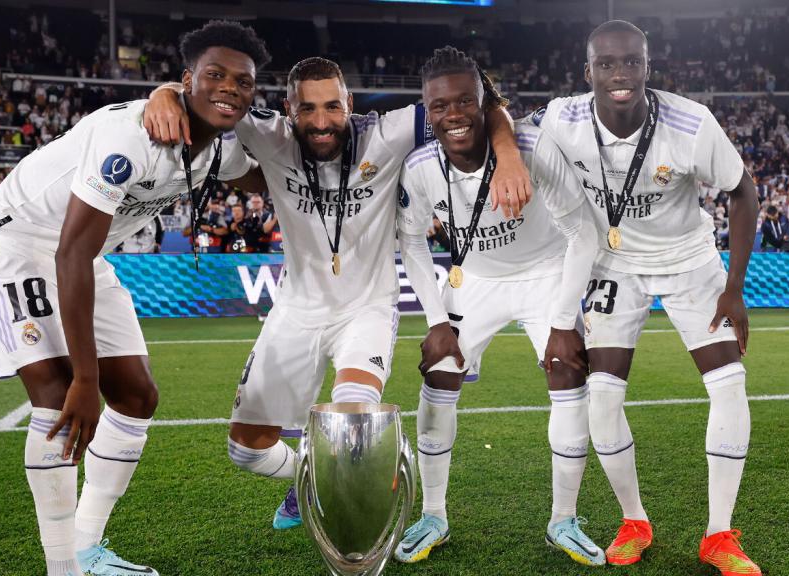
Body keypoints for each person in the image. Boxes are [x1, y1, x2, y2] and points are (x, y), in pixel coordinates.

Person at [143, 55, 533, 532]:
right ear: (289, 109)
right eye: (308, 109)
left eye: (333, 106)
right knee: (246, 450)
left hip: (365, 309)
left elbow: (476, 107)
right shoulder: (266, 133)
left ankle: (358, 476)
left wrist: (508, 152)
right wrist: (164, 92)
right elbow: (207, 101)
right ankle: (311, 477)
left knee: (353, 431)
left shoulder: (387, 134)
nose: (322, 121)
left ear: (350, 102)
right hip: (295, 310)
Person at [0, 21, 270, 576]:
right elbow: (69, 255)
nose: (229, 88)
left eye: (242, 82)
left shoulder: (217, 154)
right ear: (186, 80)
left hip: (84, 254)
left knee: (135, 394)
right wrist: (85, 378)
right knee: (57, 395)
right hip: (15, 241)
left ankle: (86, 547)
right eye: (214, 76)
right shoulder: (131, 136)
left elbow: (267, 178)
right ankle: (63, 569)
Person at [537, 21, 761, 576]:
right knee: (603, 399)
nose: (620, 74)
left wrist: (733, 287)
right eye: (607, 64)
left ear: (647, 68)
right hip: (613, 265)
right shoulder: (561, 118)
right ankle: (634, 520)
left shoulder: (690, 123)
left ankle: (719, 535)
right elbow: (505, 133)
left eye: (631, 62)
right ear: (587, 71)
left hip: (689, 262)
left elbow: (742, 191)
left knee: (729, 386)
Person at [395, 46, 602, 566]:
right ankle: (434, 515)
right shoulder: (420, 167)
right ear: (426, 108)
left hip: (546, 273)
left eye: (466, 101)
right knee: (439, 369)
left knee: (568, 368)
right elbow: (412, 242)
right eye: (440, 106)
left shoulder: (533, 149)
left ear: (485, 101)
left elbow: (583, 234)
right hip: (475, 279)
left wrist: (561, 322)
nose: (454, 115)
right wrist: (437, 320)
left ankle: (564, 520)